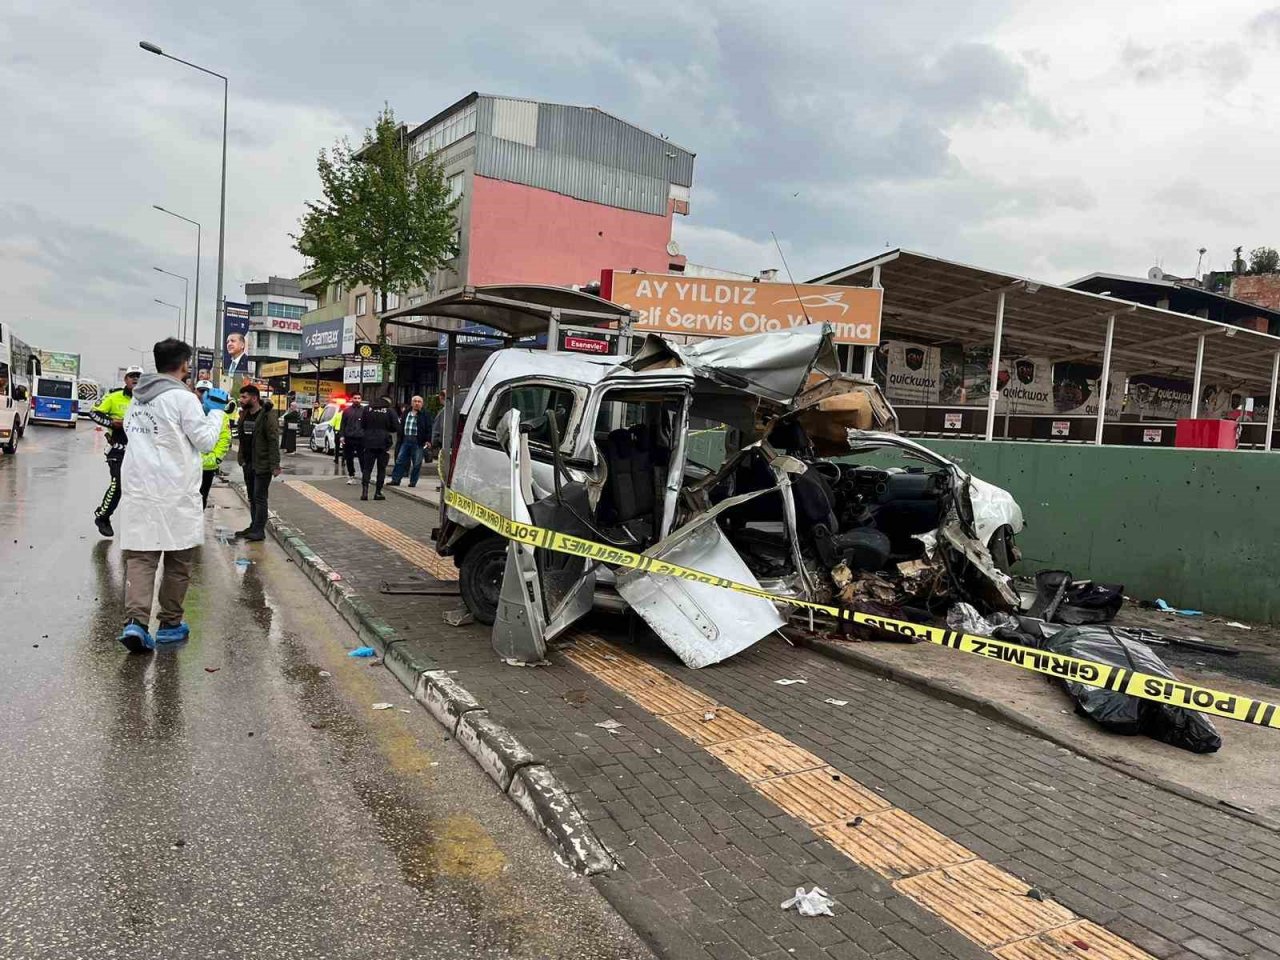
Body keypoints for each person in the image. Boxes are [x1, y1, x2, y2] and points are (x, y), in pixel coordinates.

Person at [115, 339, 227, 653]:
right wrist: (215, 413)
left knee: (141, 557)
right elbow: (204, 442)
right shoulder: (182, 397)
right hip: (175, 490)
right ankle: (169, 624)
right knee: (178, 561)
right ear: (183, 365)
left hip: (140, 490)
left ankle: (135, 623)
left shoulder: (139, 398)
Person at [89, 365, 142, 537]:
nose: (135, 379)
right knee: (118, 483)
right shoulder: (113, 397)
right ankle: (103, 516)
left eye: (139, 376)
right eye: (132, 376)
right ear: (125, 380)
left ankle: (137, 526)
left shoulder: (148, 400)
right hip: (118, 451)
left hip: (140, 453)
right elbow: (94, 413)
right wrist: (112, 423)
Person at [235, 384, 281, 541]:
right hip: (248, 463)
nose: (241, 400)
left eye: (244, 397)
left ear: (254, 398)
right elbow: (242, 438)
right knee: (252, 497)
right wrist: (241, 457)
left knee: (259, 497)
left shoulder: (267, 415)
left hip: (262, 463)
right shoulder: (245, 414)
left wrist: (275, 465)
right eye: (241, 397)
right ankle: (254, 525)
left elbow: (274, 440)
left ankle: (259, 530)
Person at [195, 379, 232, 508]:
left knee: (202, 498)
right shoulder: (190, 411)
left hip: (207, 467)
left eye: (206, 392)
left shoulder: (221, 416)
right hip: (190, 465)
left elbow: (224, 439)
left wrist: (215, 458)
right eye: (200, 391)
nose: (202, 394)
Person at [358, 395, 397, 501]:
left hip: (369, 442)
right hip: (383, 443)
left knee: (367, 469)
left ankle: (365, 491)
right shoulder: (389, 410)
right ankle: (378, 492)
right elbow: (395, 427)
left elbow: (362, 424)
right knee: (381, 469)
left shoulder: (367, 409)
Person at [388, 394, 432, 488]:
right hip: (405, 440)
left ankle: (413, 482)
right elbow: (401, 425)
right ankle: (395, 480)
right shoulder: (406, 413)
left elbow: (429, 428)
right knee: (400, 460)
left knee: (416, 463)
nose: (417, 403)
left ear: (422, 404)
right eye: (415, 401)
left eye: (419, 402)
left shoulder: (425, 414)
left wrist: (428, 440)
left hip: (418, 441)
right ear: (412, 403)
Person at [340, 393, 365, 485]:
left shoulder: (365, 410)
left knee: (362, 458)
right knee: (349, 458)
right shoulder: (347, 411)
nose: (357, 400)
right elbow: (342, 424)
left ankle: (364, 476)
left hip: (361, 438)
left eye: (359, 398)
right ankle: (351, 475)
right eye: (355, 398)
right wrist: (342, 436)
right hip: (349, 437)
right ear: (352, 399)